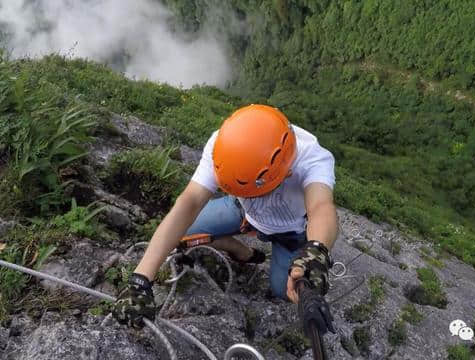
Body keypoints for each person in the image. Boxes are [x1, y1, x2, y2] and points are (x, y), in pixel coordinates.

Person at [111, 104, 338, 334]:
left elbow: (321, 206)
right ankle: (242, 252)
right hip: (241, 211)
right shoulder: (224, 147)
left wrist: (316, 252)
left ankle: (258, 251)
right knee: (184, 235)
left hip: (289, 233)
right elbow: (189, 202)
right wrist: (139, 281)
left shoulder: (312, 158)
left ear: (285, 171)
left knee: (284, 289)